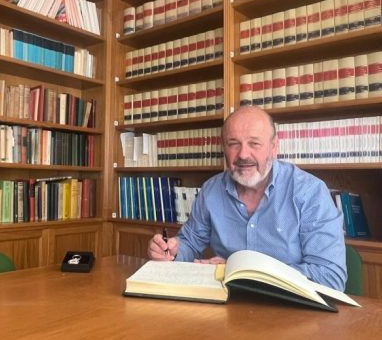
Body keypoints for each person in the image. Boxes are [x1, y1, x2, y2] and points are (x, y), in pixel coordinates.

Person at [148, 106, 347, 291]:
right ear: (224, 148)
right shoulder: (211, 190)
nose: (243, 154)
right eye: (233, 144)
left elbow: (331, 277)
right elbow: (191, 242)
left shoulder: (310, 192)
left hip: (292, 313)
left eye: (254, 143)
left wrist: (249, 273)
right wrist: (172, 252)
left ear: (273, 146)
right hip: (227, 305)